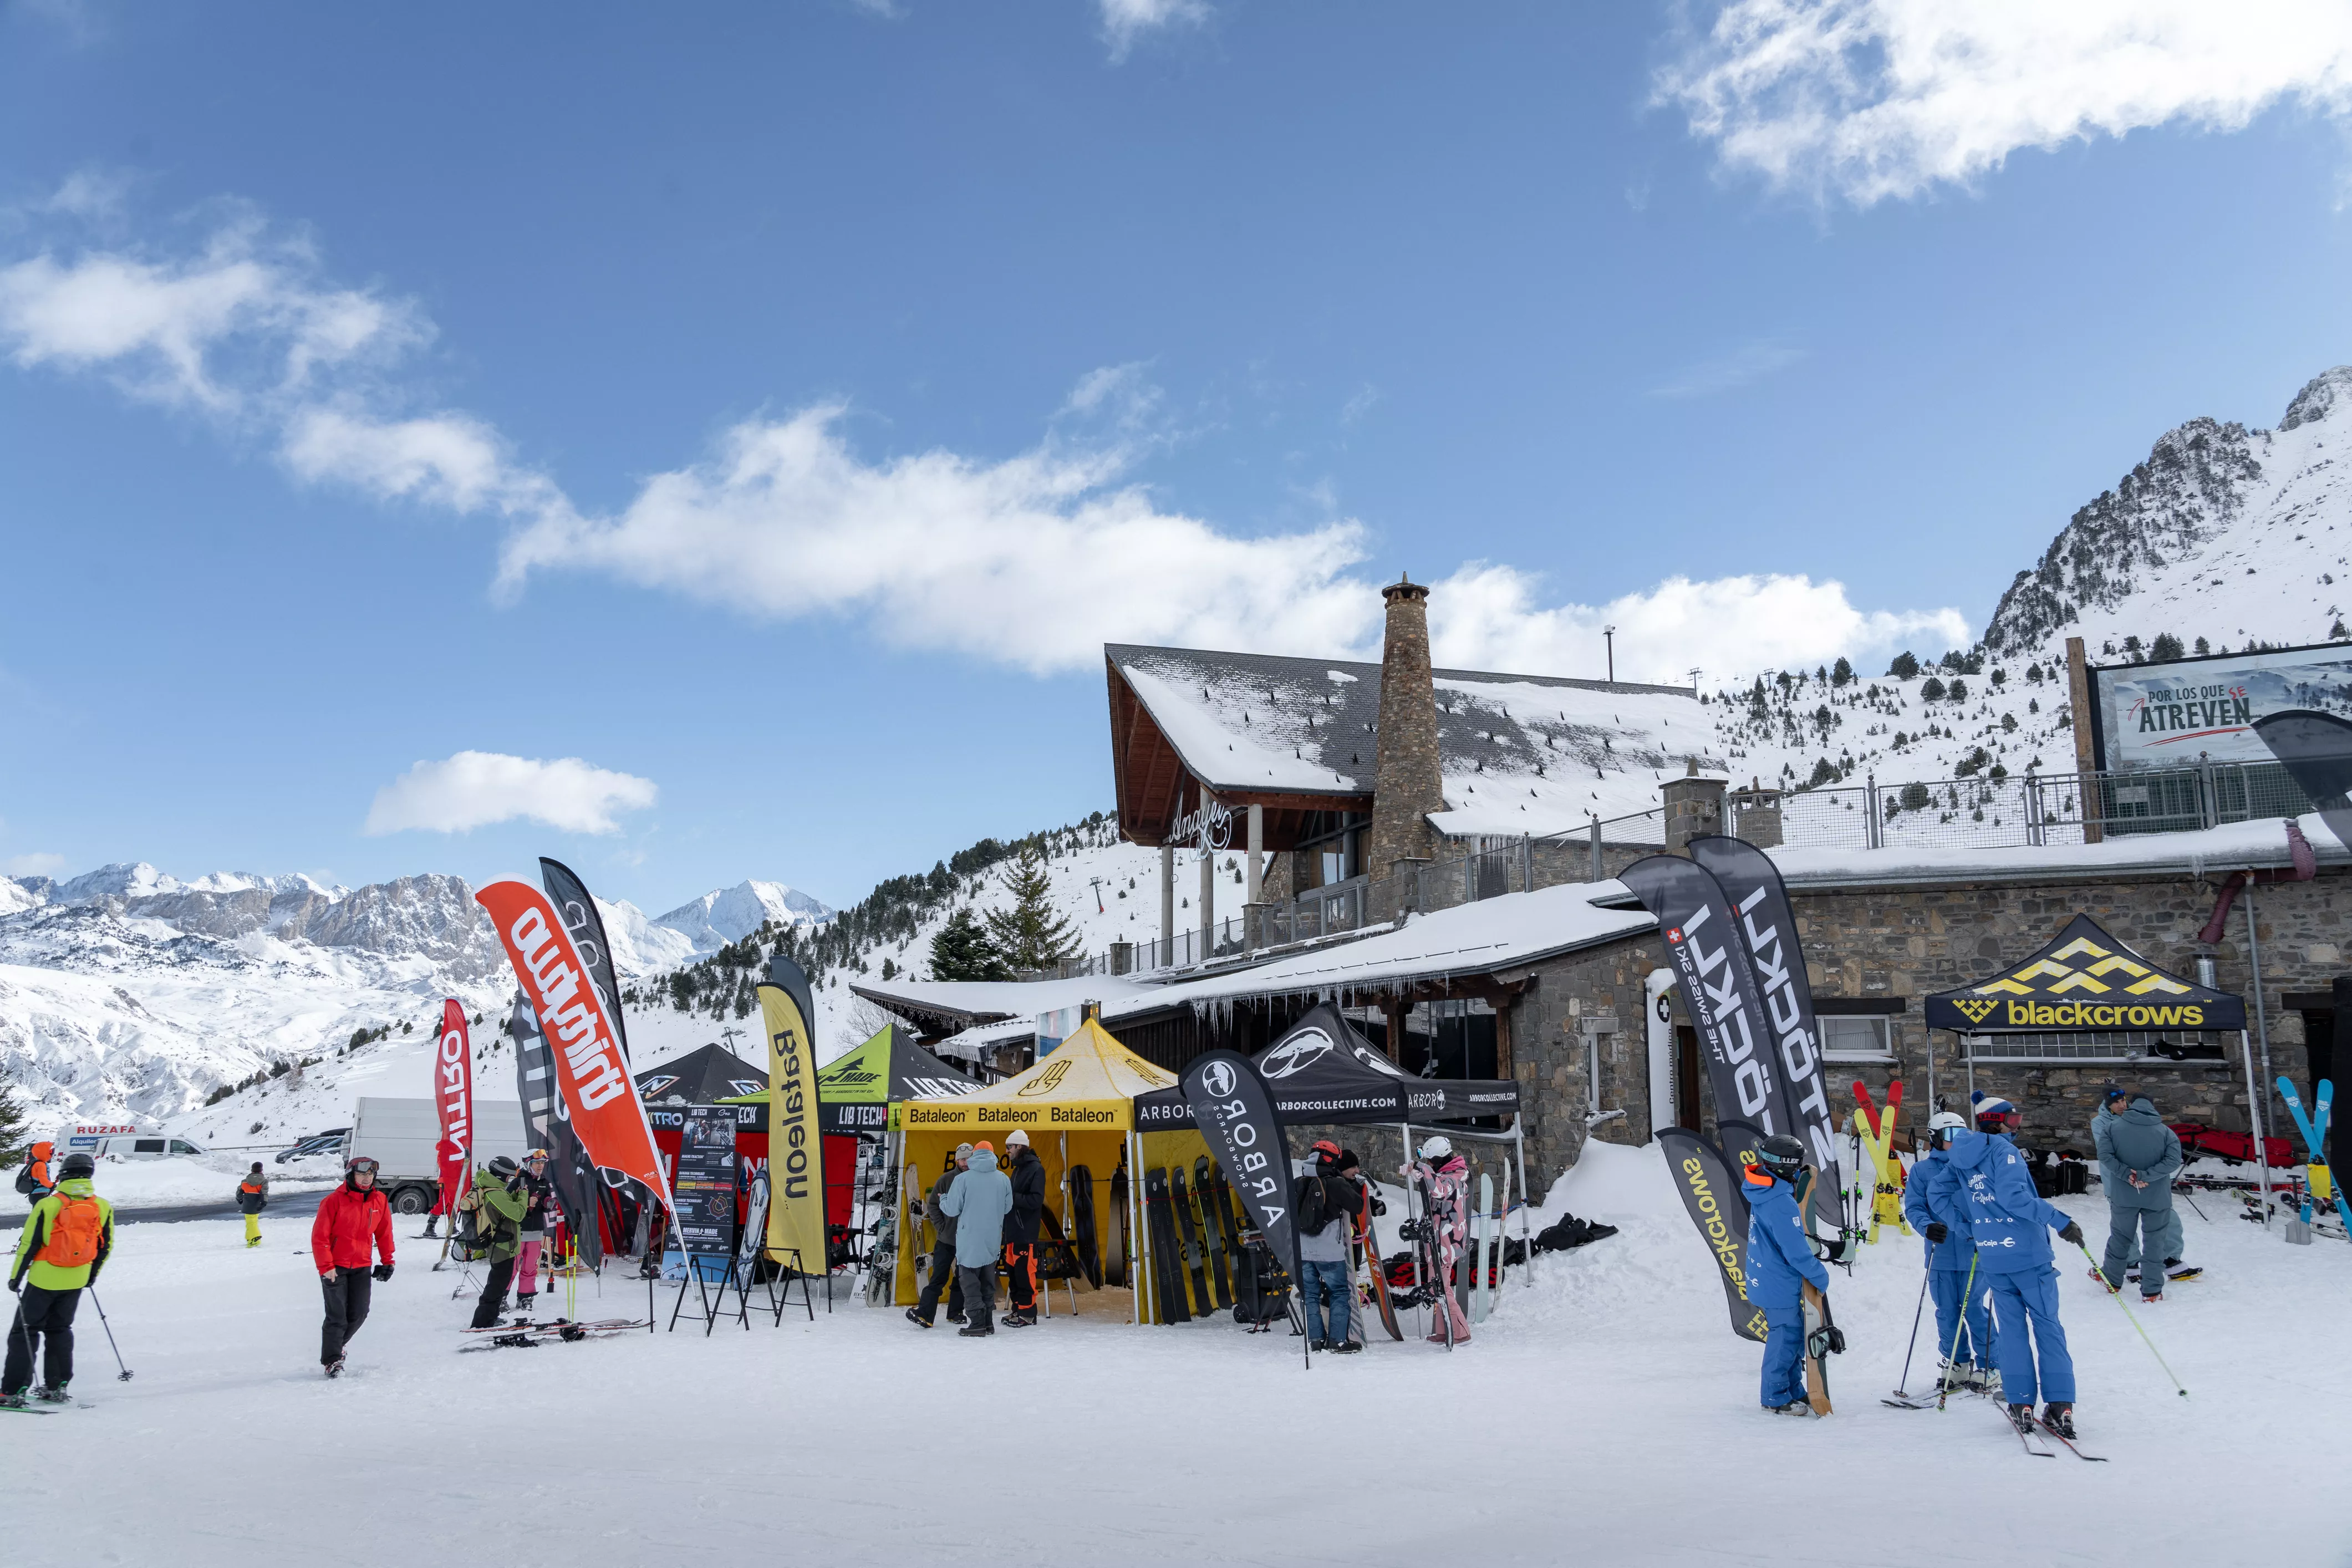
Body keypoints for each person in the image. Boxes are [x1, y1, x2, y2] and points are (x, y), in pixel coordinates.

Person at [1952, 1095, 2085, 1439]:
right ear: (1996, 1121)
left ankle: (2020, 1403)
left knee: (2012, 1332)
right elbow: (2015, 1199)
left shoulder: (1960, 1156)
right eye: (2014, 1120)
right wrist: (2059, 1220)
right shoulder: (2004, 1151)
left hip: (1995, 1258)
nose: (2018, 1125)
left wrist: (1973, 1229)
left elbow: (1940, 1195)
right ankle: (2060, 1405)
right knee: (2047, 1327)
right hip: (2028, 1256)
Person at [4, 1151, 114, 1407]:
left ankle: (12, 1391)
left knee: (25, 1332)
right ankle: (57, 1388)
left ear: (63, 1174)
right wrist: (91, 1276)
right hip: (77, 1277)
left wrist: (15, 1278)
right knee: (61, 1330)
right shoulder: (102, 1206)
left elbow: (30, 1244)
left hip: (44, 1278)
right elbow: (106, 1246)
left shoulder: (48, 1204)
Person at [1903, 1111, 1994, 1393]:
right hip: (1940, 1254)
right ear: (1935, 1138)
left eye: (1962, 1135)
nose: (1957, 1142)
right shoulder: (1922, 1171)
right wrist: (1927, 1226)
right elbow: (1915, 1207)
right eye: (1950, 1136)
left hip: (1973, 1253)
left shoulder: (1976, 1167)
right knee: (1947, 1311)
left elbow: (1988, 1201)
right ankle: (1957, 1362)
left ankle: (1992, 1365)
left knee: (1975, 1310)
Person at [1743, 1134, 1830, 1416]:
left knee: (1791, 1334)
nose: (1799, 1168)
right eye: (1797, 1164)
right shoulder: (1780, 1201)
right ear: (1785, 1165)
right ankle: (1774, 1395)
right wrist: (1819, 1274)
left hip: (1770, 1276)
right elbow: (1795, 1250)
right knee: (1785, 1336)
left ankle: (1793, 1389)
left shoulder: (1766, 1188)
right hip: (1776, 1280)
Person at [310, 1154, 395, 1378]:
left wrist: (388, 1260)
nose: (367, 1179)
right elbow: (320, 1237)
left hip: (361, 1266)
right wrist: (326, 1266)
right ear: (351, 1174)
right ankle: (332, 1361)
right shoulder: (333, 1201)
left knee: (359, 1313)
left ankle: (336, 1347)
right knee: (337, 1316)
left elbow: (384, 1232)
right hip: (334, 1267)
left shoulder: (379, 1201)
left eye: (370, 1174)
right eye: (362, 1173)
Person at [2096, 1094, 2184, 1302]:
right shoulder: (2165, 1132)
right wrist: (2146, 1176)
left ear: (2132, 1105)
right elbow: (2173, 1161)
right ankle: (2152, 1291)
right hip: (2157, 1198)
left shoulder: (2112, 1128)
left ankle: (2112, 1280)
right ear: (2152, 1107)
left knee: (2120, 1237)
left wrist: (2128, 1174)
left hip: (2124, 1195)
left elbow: (2106, 1156)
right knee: (2155, 1241)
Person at [1294, 1139, 1365, 1353]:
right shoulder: (1335, 1183)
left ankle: (1315, 1340)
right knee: (1339, 1293)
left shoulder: (1298, 1182)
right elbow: (1358, 1206)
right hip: (1329, 1251)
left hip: (1302, 1250)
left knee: (1310, 1295)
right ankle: (1337, 1341)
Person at [939, 1140, 1012, 1337]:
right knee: (988, 1283)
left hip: (970, 1240)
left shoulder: (963, 1180)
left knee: (969, 1283)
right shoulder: (1003, 1178)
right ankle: (988, 1323)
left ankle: (977, 1323)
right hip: (992, 1240)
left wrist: (943, 1199)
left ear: (974, 1156)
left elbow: (952, 1209)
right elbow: (1007, 1208)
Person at [1407, 1135, 1472, 1345]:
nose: (1430, 1164)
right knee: (1437, 1288)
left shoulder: (1455, 1177)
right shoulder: (1447, 1173)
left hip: (1446, 1242)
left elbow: (1440, 1191)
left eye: (1431, 1160)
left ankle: (1461, 1332)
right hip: (1437, 1240)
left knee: (1442, 1288)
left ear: (1440, 1158)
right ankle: (1444, 1331)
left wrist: (1421, 1169)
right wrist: (1422, 1174)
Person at [906, 1143, 971, 1328]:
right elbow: (933, 1204)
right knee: (939, 1277)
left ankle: (956, 1312)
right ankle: (925, 1314)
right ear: (957, 1160)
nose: (966, 1163)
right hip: (947, 1239)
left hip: (968, 1239)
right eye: (963, 1159)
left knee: (963, 1277)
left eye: (969, 1159)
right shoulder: (946, 1179)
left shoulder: (977, 1180)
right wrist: (941, 1227)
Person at [467, 1156, 530, 1328]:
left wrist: (514, 1197)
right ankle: (481, 1323)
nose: (510, 1180)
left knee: (498, 1285)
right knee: (495, 1288)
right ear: (503, 1176)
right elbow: (518, 1214)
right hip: (502, 1247)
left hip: (503, 1245)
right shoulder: (494, 1193)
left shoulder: (493, 1190)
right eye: (510, 1177)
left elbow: (505, 1211)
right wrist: (523, 1194)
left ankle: (491, 1317)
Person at [999, 1129, 1046, 1328]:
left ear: (1019, 1146)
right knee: (1014, 1273)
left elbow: (1036, 1200)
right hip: (1013, 1231)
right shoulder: (1017, 1168)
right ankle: (1018, 1310)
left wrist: (1011, 1198)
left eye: (1009, 1147)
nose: (1007, 1151)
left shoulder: (1036, 1169)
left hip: (1025, 1232)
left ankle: (1028, 1314)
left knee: (1026, 1274)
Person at [513, 1149, 553, 1314]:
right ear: (528, 1164)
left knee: (530, 1267)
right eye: (537, 1163)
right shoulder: (519, 1181)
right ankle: (501, 1296)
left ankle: (525, 1298)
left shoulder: (545, 1180)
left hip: (536, 1230)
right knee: (511, 1267)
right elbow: (507, 1203)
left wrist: (548, 1204)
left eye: (542, 1163)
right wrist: (524, 1201)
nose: (540, 1166)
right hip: (517, 1230)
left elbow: (548, 1203)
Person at [236, 1161, 270, 1249]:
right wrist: (264, 1202)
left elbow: (239, 1192)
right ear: (261, 1170)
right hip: (258, 1204)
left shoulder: (245, 1182)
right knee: (253, 1221)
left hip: (248, 1204)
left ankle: (255, 1237)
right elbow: (264, 1192)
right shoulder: (264, 1181)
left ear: (252, 1170)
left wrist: (239, 1199)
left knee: (250, 1222)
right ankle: (251, 1238)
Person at [12, 1139, 55, 1203]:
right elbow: (43, 1181)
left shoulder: (36, 1163)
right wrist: (53, 1185)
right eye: (51, 1152)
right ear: (45, 1152)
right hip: (40, 1195)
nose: (52, 1154)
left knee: (39, 1213)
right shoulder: (41, 1165)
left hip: (37, 1194)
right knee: (42, 1213)